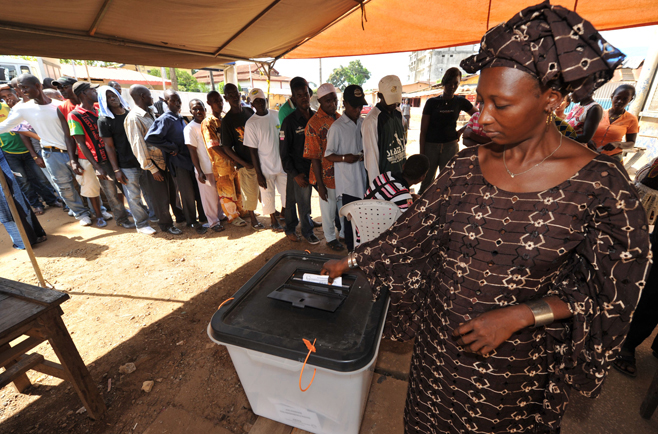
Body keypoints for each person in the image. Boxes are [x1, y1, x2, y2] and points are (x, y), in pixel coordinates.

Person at [321, 3, 650, 433]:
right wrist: (354, 260)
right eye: (481, 101)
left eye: (501, 104)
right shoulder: (464, 167)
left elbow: (610, 294)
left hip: (510, 367)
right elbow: (412, 231)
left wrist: (521, 315)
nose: (482, 117)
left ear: (551, 100)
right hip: (438, 345)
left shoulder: (602, 189)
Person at [0, 74, 93, 223]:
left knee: (86, 181)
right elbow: (6, 126)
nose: (22, 91)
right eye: (20, 88)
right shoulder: (23, 109)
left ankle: (97, 210)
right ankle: (81, 214)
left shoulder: (58, 105)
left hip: (74, 151)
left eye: (25, 87)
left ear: (38, 86)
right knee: (64, 187)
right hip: (51, 154)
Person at [68, 81, 130, 228]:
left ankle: (124, 212)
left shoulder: (100, 108)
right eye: (93, 91)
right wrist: (96, 166)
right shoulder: (75, 115)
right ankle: (119, 219)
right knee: (110, 192)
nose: (97, 93)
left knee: (123, 187)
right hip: (99, 159)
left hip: (114, 156)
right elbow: (81, 143)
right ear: (83, 94)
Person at [145, 89, 207, 234]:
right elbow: (151, 137)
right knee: (187, 193)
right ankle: (191, 221)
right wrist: (170, 147)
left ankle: (203, 216)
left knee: (196, 189)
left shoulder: (178, 117)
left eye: (178, 100)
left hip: (188, 160)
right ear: (166, 102)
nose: (177, 103)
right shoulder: (165, 119)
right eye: (173, 100)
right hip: (178, 162)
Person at [97, 85, 156, 235]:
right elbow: (109, 147)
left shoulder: (130, 114)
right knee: (133, 196)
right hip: (125, 164)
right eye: (109, 97)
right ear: (104, 101)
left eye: (115, 95)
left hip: (142, 159)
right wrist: (116, 169)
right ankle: (142, 224)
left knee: (149, 191)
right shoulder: (104, 121)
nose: (113, 99)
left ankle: (154, 217)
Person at [124, 85, 182, 235]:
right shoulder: (134, 118)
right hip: (154, 165)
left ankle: (179, 218)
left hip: (163, 161)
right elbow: (139, 146)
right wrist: (152, 169)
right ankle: (166, 225)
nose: (152, 98)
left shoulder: (150, 113)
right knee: (160, 198)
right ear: (143, 96)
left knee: (171, 193)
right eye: (149, 95)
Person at [418, 68, 477, 194]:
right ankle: (421, 209)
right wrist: (422, 154)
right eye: (450, 82)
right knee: (426, 181)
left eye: (456, 83)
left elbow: (478, 115)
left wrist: (461, 130)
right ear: (444, 82)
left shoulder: (460, 101)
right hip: (430, 147)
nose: (452, 86)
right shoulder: (432, 102)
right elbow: (423, 131)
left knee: (448, 180)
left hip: (450, 147)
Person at [324, 85, 368, 251]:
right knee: (350, 221)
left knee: (362, 219)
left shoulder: (363, 123)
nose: (358, 110)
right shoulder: (337, 127)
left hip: (363, 179)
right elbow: (328, 155)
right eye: (355, 106)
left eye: (360, 106)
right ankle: (351, 252)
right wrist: (345, 158)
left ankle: (361, 250)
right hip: (348, 183)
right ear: (345, 104)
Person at [280, 78, 320, 244]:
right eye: (299, 95)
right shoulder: (288, 122)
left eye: (306, 94)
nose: (304, 98)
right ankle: (306, 231)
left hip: (315, 168)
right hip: (298, 170)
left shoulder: (316, 117)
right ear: (293, 98)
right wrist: (295, 174)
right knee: (299, 202)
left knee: (297, 200)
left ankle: (303, 224)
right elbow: (283, 152)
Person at [304, 83, 343, 251]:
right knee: (327, 209)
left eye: (334, 99)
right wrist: (319, 184)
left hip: (342, 173)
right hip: (325, 177)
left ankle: (342, 234)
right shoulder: (313, 124)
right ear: (320, 101)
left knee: (342, 207)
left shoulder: (339, 117)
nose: (332, 104)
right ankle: (329, 238)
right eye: (328, 101)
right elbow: (313, 156)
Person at [201, 91, 247, 227]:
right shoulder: (208, 122)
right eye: (215, 101)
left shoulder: (224, 119)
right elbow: (213, 146)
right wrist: (231, 158)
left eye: (220, 100)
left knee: (238, 188)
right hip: (221, 165)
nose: (219, 103)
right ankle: (233, 216)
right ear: (209, 103)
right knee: (226, 191)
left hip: (233, 161)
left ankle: (242, 212)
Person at [244, 88, 286, 232]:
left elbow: (282, 136)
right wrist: (258, 173)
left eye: (262, 100)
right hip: (265, 167)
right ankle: (274, 221)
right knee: (268, 195)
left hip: (282, 164)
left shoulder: (276, 115)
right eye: (256, 101)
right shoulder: (251, 123)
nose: (260, 103)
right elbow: (253, 151)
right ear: (252, 104)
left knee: (287, 194)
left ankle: (285, 215)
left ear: (266, 100)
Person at [221, 83, 261, 229]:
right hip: (246, 162)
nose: (234, 97)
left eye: (235, 93)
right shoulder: (227, 121)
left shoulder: (249, 111)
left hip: (260, 158)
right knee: (249, 191)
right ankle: (253, 218)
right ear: (226, 98)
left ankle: (272, 213)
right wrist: (243, 163)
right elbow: (226, 147)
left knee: (264, 188)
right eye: (230, 95)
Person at [184, 99, 225, 233]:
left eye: (200, 108)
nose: (198, 111)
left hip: (216, 166)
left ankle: (220, 216)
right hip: (204, 168)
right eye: (194, 109)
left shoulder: (209, 123)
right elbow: (192, 151)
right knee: (209, 197)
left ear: (204, 108)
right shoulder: (190, 128)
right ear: (191, 112)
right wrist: (199, 170)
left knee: (218, 194)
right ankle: (213, 222)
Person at [362, 75, 407, 185]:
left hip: (399, 177)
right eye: (390, 100)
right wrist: (377, 188)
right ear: (380, 95)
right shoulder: (372, 120)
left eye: (396, 100)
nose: (394, 104)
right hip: (383, 182)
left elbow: (402, 143)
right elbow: (371, 160)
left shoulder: (398, 113)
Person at [0, 150, 46, 249]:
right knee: (5, 209)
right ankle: (22, 241)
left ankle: (34, 234)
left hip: (3, 166)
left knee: (18, 200)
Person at [364, 154, 429, 212]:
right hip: (378, 223)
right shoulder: (404, 196)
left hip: (361, 217)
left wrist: (410, 197)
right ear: (422, 177)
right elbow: (409, 216)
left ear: (403, 166)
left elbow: (390, 193)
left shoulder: (385, 176)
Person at [591, 84, 638, 161]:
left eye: (625, 99)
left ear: (630, 100)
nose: (620, 101)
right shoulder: (598, 114)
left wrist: (617, 144)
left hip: (612, 157)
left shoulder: (632, 119)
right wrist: (588, 140)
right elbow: (584, 131)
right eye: (618, 98)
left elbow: (631, 143)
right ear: (612, 97)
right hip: (589, 153)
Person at [564, 77, 603, 144]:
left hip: (575, 149)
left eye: (573, 91)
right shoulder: (577, 106)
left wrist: (560, 136)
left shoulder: (594, 108)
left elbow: (585, 137)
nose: (570, 95)